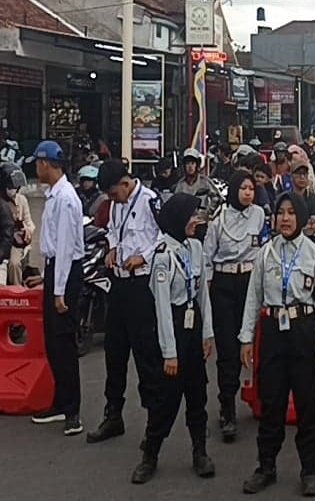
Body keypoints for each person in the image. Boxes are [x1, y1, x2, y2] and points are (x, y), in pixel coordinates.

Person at [238, 193, 315, 496]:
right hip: (273, 334)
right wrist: (246, 338)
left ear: (301, 217)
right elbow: (253, 298)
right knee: (271, 404)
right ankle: (266, 467)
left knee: (307, 405)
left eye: (292, 212)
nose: (286, 218)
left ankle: (309, 470)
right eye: (281, 213)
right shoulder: (265, 253)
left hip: (303, 333)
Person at [132, 193, 215, 484]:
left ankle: (200, 452)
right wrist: (170, 353)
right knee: (166, 399)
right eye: (192, 216)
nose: (196, 221)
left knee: (197, 393)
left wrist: (207, 333)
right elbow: (162, 309)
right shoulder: (163, 256)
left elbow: (202, 293)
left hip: (193, 326)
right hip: (173, 329)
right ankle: (150, 455)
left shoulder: (195, 248)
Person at [86, 159, 163, 444]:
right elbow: (113, 231)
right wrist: (112, 249)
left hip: (141, 285)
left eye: (114, 193)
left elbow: (165, 236)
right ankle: (113, 414)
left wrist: (143, 256)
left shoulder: (150, 201)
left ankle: (154, 422)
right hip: (118, 283)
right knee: (114, 352)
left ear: (125, 182)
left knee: (146, 354)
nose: (113, 198)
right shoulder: (115, 205)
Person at [24, 142, 85, 435]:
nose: (36, 169)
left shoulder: (66, 199)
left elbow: (65, 249)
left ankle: (72, 411)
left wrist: (59, 291)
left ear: (45, 164)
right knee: (54, 343)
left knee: (63, 343)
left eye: (37, 164)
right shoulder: (55, 195)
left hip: (66, 273)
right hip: (57, 271)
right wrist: (47, 280)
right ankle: (61, 402)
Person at [202, 171, 266, 443]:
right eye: (243, 188)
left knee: (255, 344)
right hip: (224, 284)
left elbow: (264, 248)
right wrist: (206, 292)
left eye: (251, 188)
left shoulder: (259, 215)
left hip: (251, 282)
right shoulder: (219, 219)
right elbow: (207, 256)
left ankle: (263, 400)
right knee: (228, 349)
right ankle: (227, 408)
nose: (248, 193)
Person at [2, 163, 31, 285]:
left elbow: (29, 222)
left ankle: (17, 290)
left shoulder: (22, 200)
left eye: (15, 187)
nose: (13, 189)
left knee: (14, 264)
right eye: (10, 186)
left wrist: (27, 230)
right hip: (2, 239)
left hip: (14, 241)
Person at [175, 148, 221, 216]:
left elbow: (217, 197)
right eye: (187, 163)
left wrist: (209, 212)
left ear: (197, 165)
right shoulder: (180, 184)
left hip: (201, 219)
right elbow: (175, 204)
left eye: (192, 163)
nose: (190, 166)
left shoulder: (205, 182)